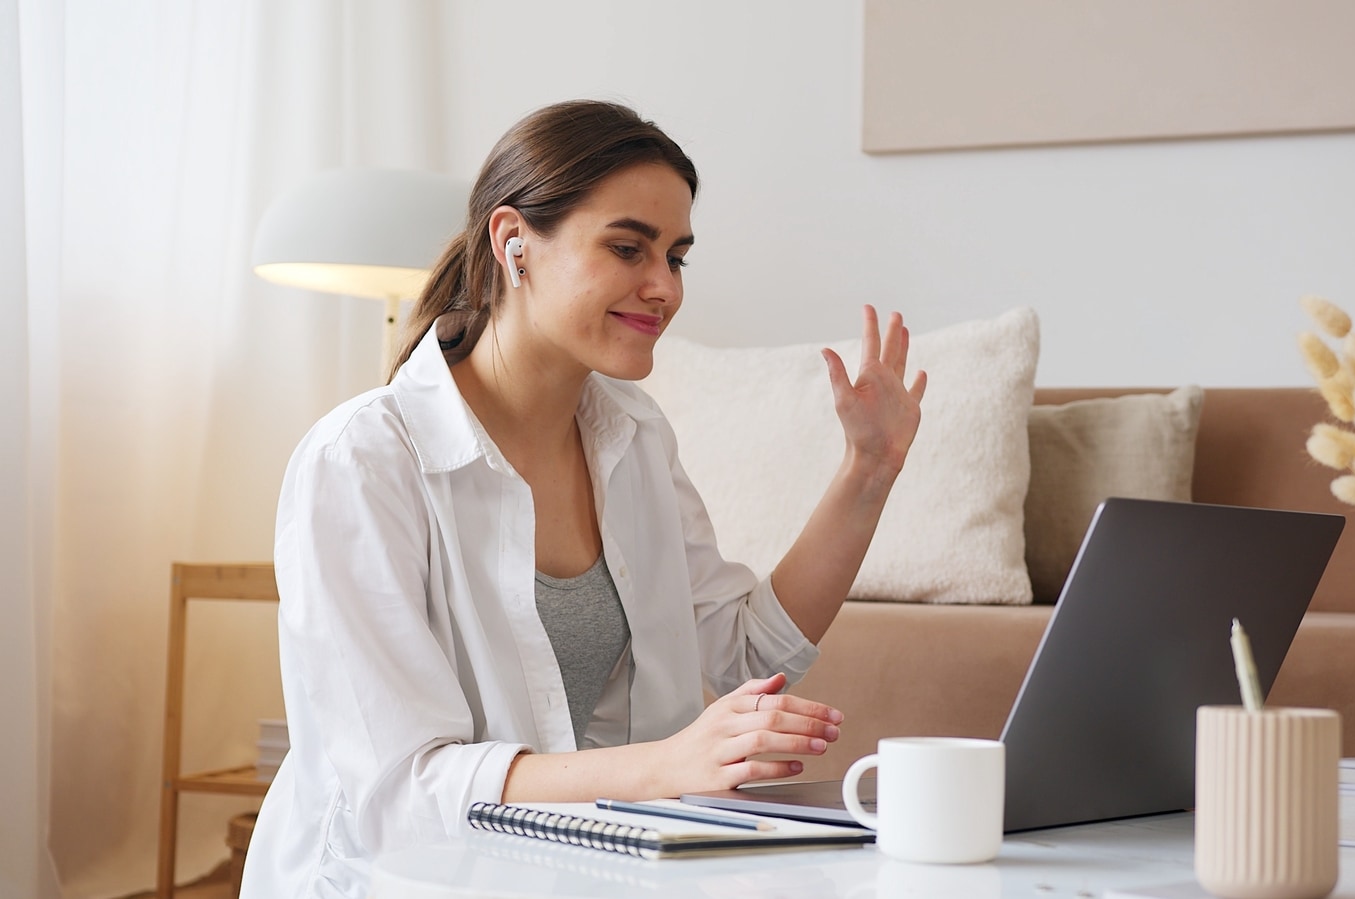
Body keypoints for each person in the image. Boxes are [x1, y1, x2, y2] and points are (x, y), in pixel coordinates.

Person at [240, 100, 927, 898]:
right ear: (513, 243)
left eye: (677, 257)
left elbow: (746, 650)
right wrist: (667, 766)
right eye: (628, 247)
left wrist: (868, 470)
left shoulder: (632, 434)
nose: (662, 287)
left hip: (575, 869)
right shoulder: (361, 461)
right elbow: (402, 794)